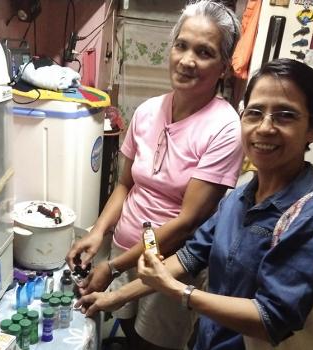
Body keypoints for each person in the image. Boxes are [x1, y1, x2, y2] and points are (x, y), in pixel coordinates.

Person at [78, 58, 313, 350]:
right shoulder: (241, 197)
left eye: (285, 116)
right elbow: (189, 257)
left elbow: (273, 318)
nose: (265, 127)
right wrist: (113, 296)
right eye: (255, 113)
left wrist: (180, 292)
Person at [66, 1, 243, 349]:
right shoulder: (148, 112)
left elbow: (186, 222)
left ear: (223, 67)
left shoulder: (224, 128)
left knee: (153, 344)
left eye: (204, 52)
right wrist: (98, 232)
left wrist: (114, 267)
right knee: (127, 330)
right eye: (182, 45)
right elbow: (125, 184)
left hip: (168, 266)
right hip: (123, 248)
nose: (187, 60)